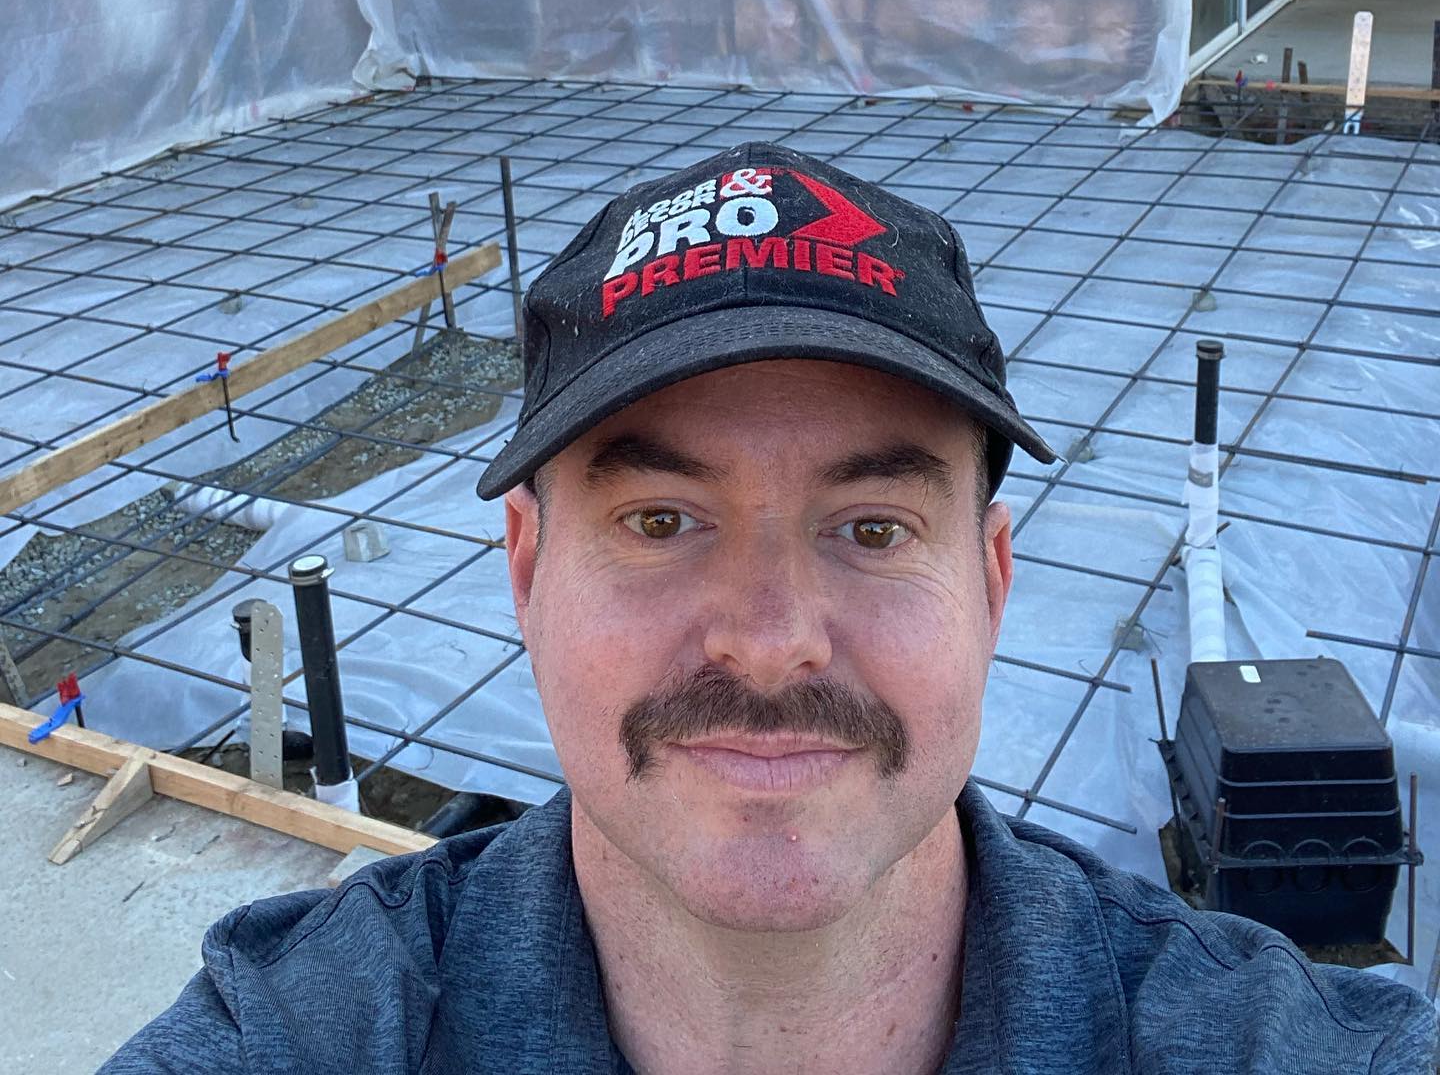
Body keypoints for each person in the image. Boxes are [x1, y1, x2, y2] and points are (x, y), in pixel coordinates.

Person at [104, 146, 1435, 1073]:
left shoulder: (1270, 1046)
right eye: (660, 521)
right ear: (524, 570)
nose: (770, 638)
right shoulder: (309, 1031)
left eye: (872, 529)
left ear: (990, 583)